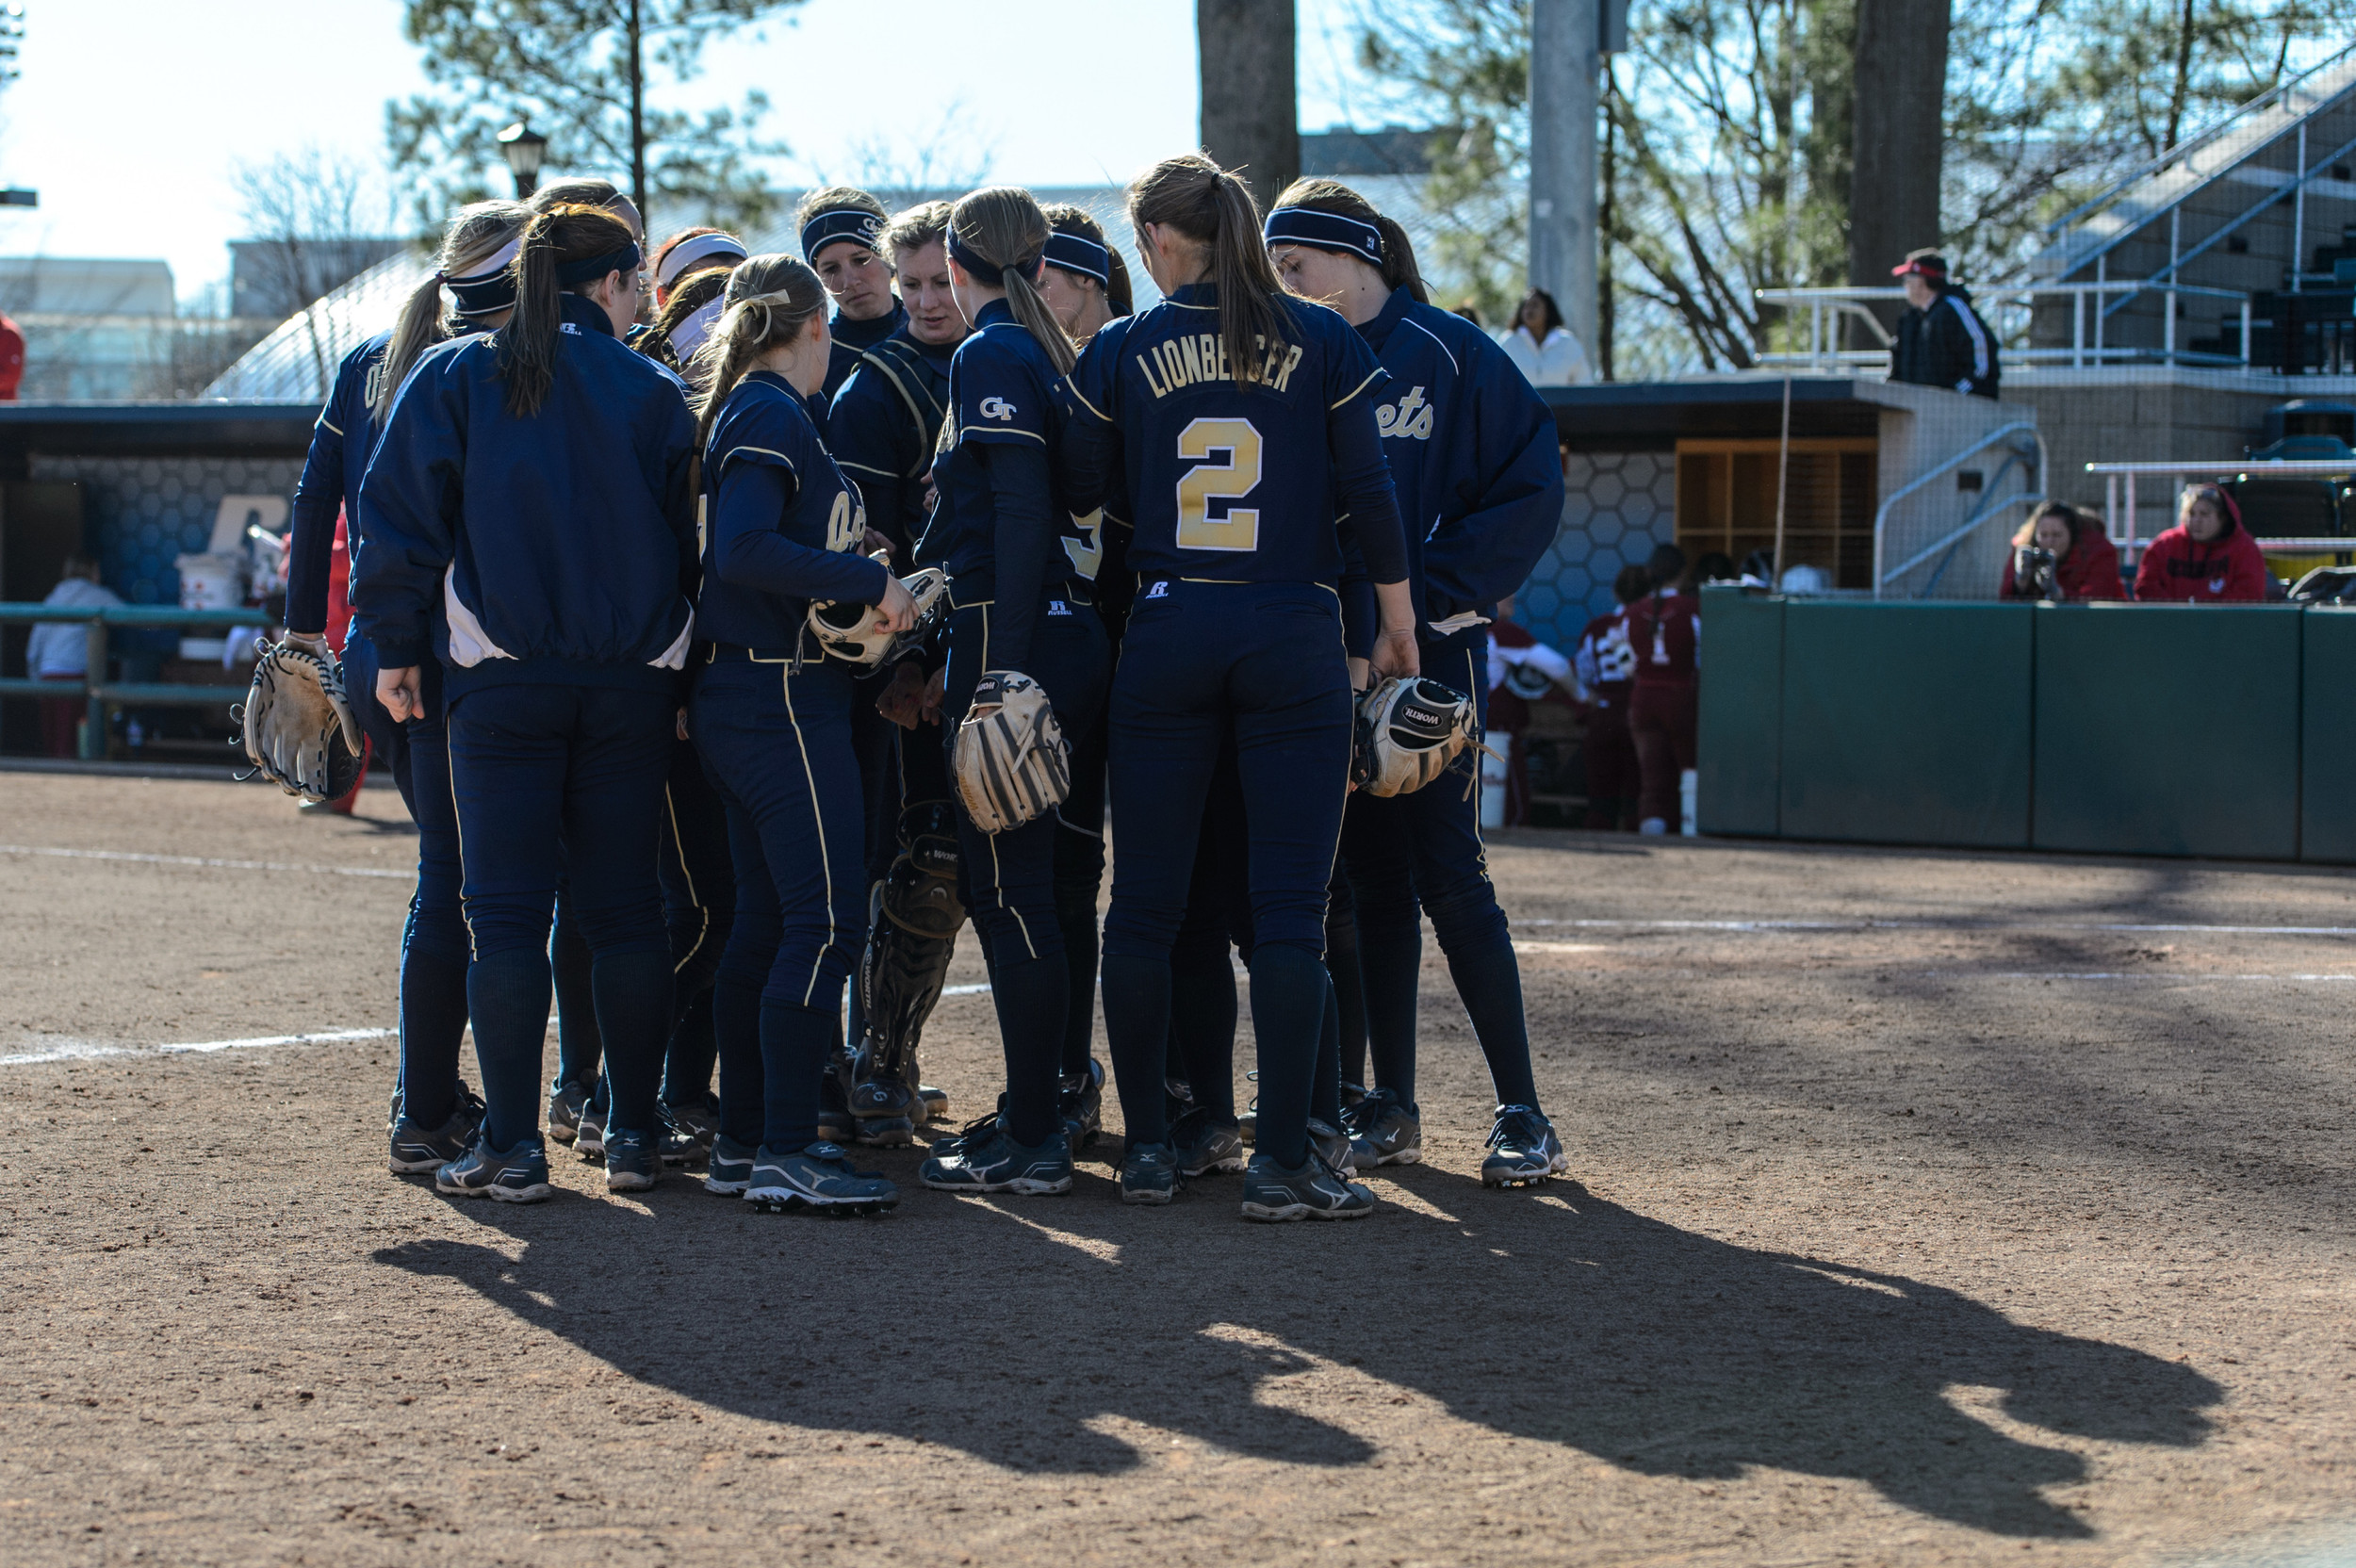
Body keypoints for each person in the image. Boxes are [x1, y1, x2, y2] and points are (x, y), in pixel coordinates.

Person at [1058, 153, 1419, 1220]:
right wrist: (1398, 627)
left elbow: (1089, 494)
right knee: (1286, 915)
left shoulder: (1124, 345)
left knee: (1146, 908)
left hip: (1168, 624)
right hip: (1292, 627)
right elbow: (1369, 493)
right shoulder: (1320, 336)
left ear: (1163, 241)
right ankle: (1283, 1160)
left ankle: (1153, 1150)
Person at [355, 202, 697, 1204]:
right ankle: (633, 1132)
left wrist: (394, 643)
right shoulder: (653, 385)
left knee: (503, 916)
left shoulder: (458, 371)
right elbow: (691, 535)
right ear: (617, 282)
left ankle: (512, 1147)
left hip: (500, 681)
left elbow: (396, 517)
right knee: (629, 908)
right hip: (634, 680)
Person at [1264, 177, 1571, 1189]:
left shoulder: (1448, 351)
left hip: (1426, 649)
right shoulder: (1285, 356)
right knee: (1361, 879)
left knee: (1448, 868)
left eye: (1295, 265)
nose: (1281, 284)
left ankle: (1522, 1108)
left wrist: (1426, 597)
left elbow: (1530, 482)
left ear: (1362, 259)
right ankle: (1387, 1099)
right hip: (1324, 652)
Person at [288, 198, 527, 1174]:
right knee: (471, 884)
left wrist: (307, 629)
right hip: (450, 653)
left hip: (379, 647)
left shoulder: (372, 361)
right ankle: (431, 1108)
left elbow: (314, 498)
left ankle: (427, 1102)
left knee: (450, 874)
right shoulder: (489, 369)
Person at [684, 253, 914, 1214]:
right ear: (814, 326)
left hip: (751, 694)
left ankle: (745, 1140)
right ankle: (782, 1145)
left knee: (770, 925)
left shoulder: (750, 404)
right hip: (777, 696)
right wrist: (869, 582)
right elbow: (740, 548)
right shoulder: (772, 409)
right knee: (825, 922)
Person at [908, 188, 1111, 1200]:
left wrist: (1005, 665)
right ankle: (1040, 1105)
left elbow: (1027, 512)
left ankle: (1035, 1130)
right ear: (1037, 264)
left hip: (1013, 632)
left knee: (1008, 893)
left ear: (957, 263)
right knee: (1038, 892)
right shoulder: (1042, 349)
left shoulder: (993, 352)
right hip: (1059, 632)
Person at [826, 199, 969, 1144]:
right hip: (905, 666)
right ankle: (881, 1062)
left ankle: (1061, 1073)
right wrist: (908, 663)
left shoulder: (1021, 356)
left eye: (939, 281)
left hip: (1010, 647)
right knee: (918, 863)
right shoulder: (869, 391)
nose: (922, 299)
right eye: (909, 282)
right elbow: (865, 556)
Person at [796, 187, 905, 410]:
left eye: (861, 259)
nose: (850, 280)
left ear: (889, 256)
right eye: (831, 268)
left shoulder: (941, 330)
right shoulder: (813, 360)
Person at [1627, 546, 1700, 835]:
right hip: (1682, 694)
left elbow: (1625, 664)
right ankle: (1692, 830)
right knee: (1690, 769)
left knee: (1652, 778)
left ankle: (1653, 833)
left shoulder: (1633, 612)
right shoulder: (1693, 608)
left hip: (1643, 697)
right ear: (1683, 573)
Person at [1573, 564, 1648, 831]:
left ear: (1616, 593)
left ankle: (1596, 850)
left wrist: (1592, 696)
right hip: (1639, 710)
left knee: (1600, 795)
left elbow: (1583, 669)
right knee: (1636, 792)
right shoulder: (1649, 623)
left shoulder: (1598, 627)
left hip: (1602, 711)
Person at [28, 556, 119, 758]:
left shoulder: (52, 597)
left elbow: (33, 649)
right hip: (73, 676)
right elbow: (132, 616)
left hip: (46, 676)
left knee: (53, 745)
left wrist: (35, 681)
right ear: (93, 572)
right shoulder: (96, 595)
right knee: (69, 746)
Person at [1890, 251, 1998, 400]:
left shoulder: (1952, 309)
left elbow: (1981, 359)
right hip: (1918, 410)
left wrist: (1953, 397)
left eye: (1909, 277)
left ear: (1923, 280)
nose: (1905, 284)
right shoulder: (1911, 319)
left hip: (1957, 411)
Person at [2135, 484, 2270, 603]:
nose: (2196, 520)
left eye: (2204, 514)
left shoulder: (2244, 548)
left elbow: (2249, 592)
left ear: (2222, 518)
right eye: (2191, 514)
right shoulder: (2164, 545)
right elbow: (2146, 587)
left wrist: (2208, 616)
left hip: (2224, 628)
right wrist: (2177, 613)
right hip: (2168, 625)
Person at [1999, 502, 2126, 601]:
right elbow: (2005, 601)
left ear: (2072, 534)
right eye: (2044, 535)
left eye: (2057, 535)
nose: (2050, 541)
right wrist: (2020, 583)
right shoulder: (2024, 549)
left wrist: (2059, 594)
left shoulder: (2099, 551)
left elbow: (2098, 600)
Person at [1500, 287, 1590, 386]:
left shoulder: (1568, 343)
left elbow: (1584, 383)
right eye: (1526, 306)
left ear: (1548, 311)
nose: (1529, 310)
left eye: (1535, 305)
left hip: (1559, 402)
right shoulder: (1508, 342)